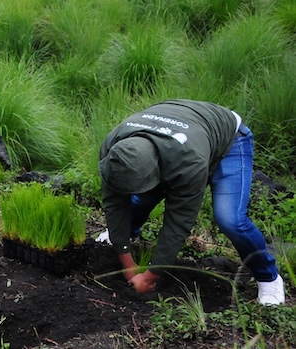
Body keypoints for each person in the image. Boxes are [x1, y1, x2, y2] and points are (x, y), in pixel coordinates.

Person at [99, 99, 286, 306]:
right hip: (181, 130)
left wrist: (151, 276)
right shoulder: (114, 150)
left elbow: (178, 222)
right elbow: (115, 203)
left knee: (230, 219)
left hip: (228, 139)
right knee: (140, 199)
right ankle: (124, 235)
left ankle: (269, 278)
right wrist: (127, 263)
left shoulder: (189, 161)